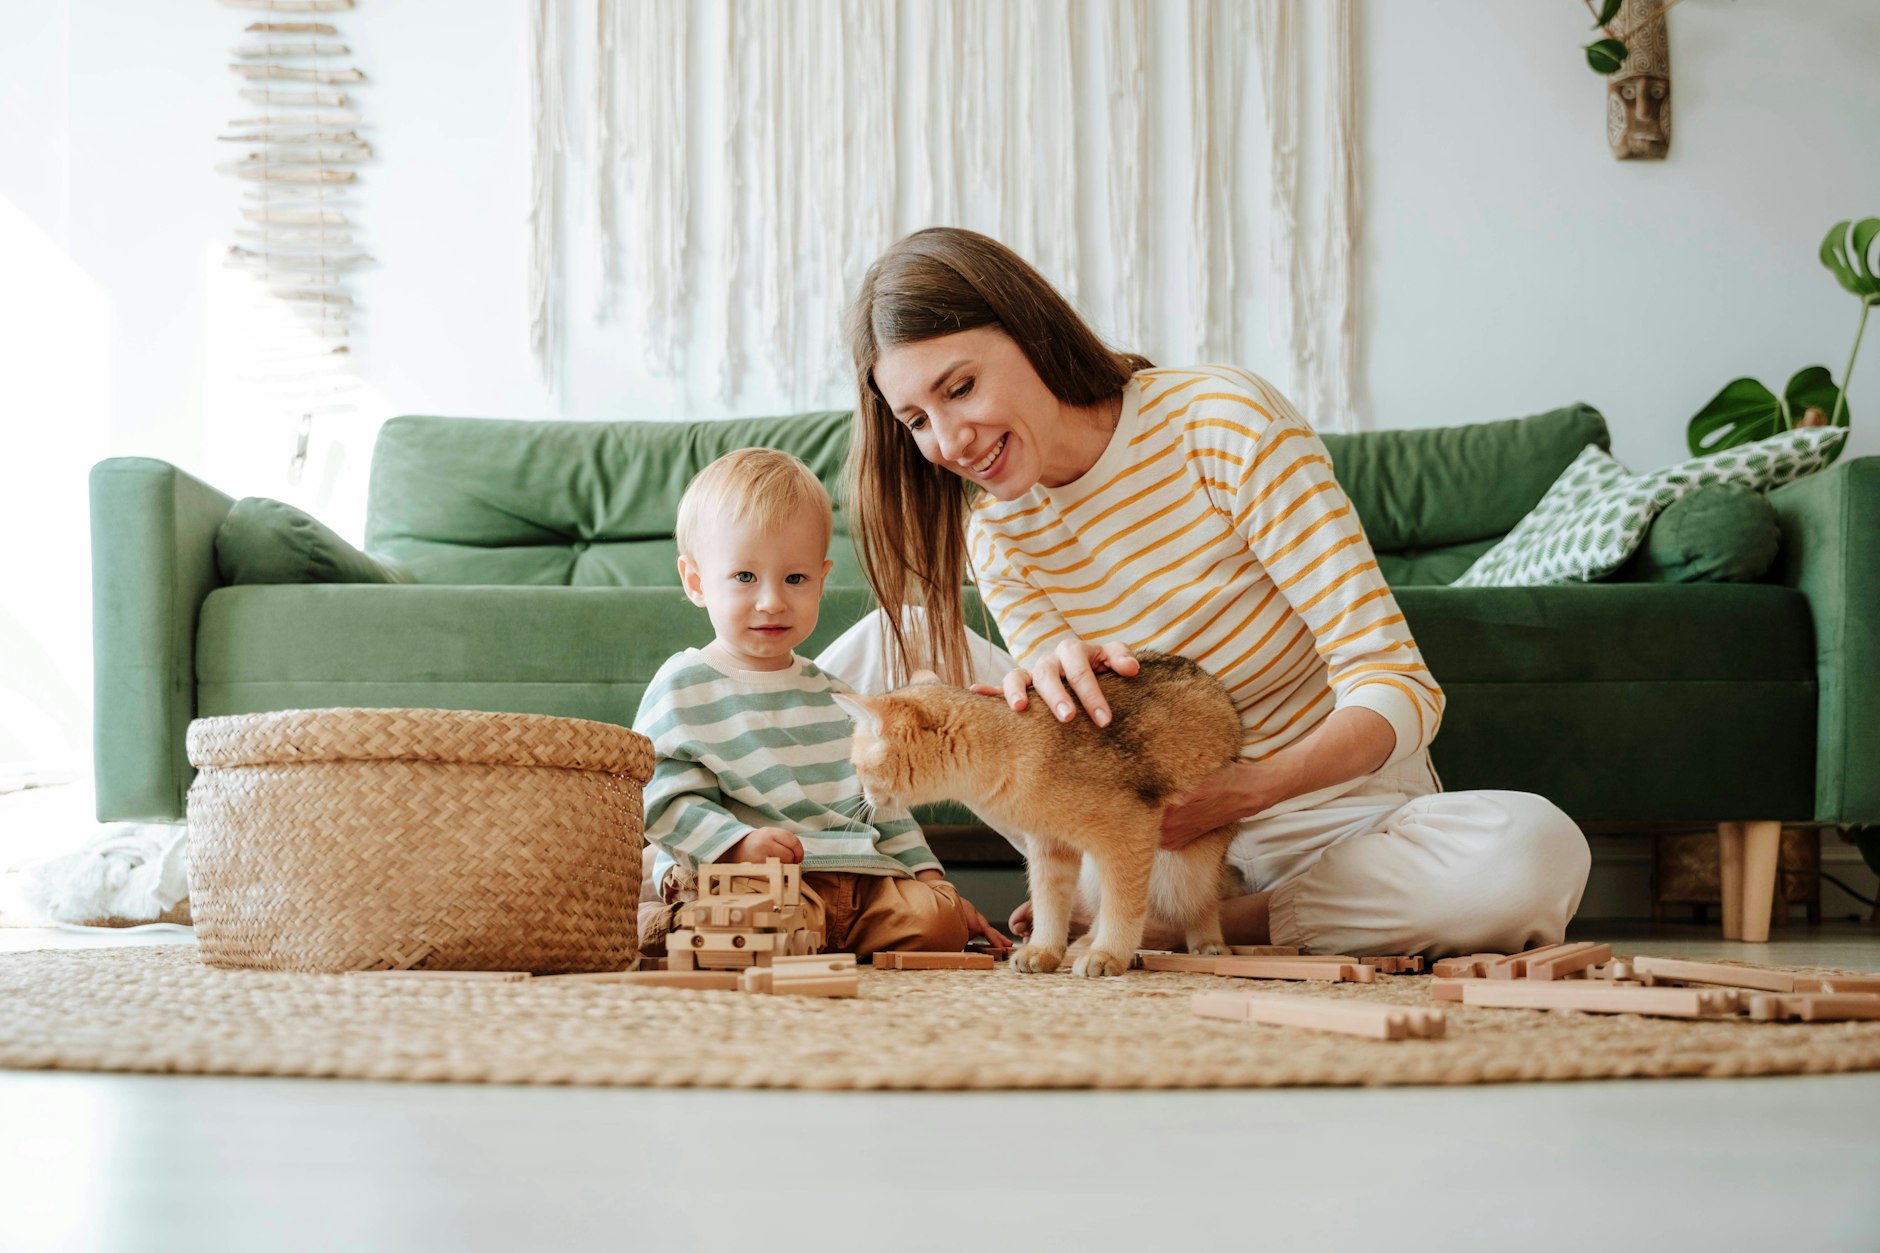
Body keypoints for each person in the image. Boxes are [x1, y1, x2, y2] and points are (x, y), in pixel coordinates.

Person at [825, 226, 1591, 958]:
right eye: (917, 420)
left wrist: (1246, 791)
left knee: (1532, 852)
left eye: (960, 387)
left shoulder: (1221, 424)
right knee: (889, 643)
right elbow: (1073, 758)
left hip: (1321, 816)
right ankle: (759, 869)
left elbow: (1401, 685)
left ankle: (1221, 922)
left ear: (1029, 328)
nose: (950, 442)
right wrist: (1051, 694)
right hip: (1142, 827)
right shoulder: (998, 531)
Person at [633, 448, 1010, 960]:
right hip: (749, 876)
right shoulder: (684, 684)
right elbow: (660, 798)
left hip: (861, 882)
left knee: (938, 924)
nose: (772, 601)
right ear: (696, 582)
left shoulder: (838, 697)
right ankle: (665, 920)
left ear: (821, 579)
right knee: (751, 922)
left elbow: (885, 800)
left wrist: (930, 881)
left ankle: (831, 933)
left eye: (795, 579)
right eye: (745, 577)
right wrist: (737, 844)